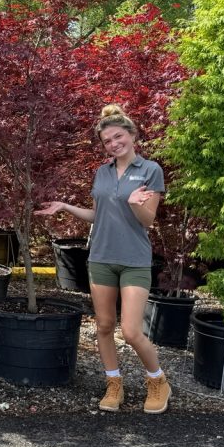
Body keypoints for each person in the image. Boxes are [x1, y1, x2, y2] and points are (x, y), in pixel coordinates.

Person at [36, 104, 171, 414]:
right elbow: (99, 214)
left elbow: (147, 220)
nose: (113, 144)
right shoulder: (102, 172)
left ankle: (157, 380)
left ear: (132, 135)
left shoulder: (150, 170)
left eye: (118, 136)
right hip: (100, 258)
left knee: (132, 330)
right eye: (107, 141)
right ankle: (114, 384)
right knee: (104, 326)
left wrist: (137, 202)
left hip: (134, 259)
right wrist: (66, 206)